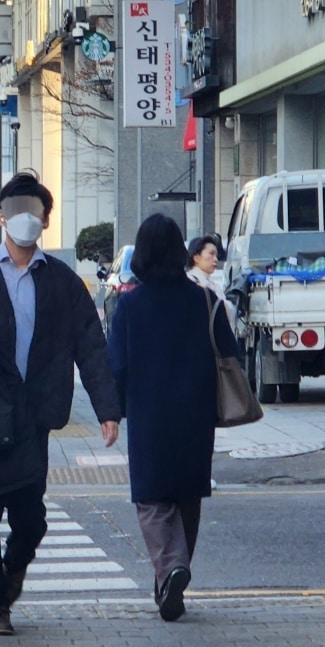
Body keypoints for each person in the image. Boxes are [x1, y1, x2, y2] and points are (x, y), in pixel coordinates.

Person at [0, 173, 121, 636]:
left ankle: (12, 569)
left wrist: (107, 408)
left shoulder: (63, 282)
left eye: (35, 212)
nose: (26, 220)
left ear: (46, 220)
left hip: (34, 414)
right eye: (17, 211)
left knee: (30, 517)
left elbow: (91, 346)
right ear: (0, 218)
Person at [108, 214, 240, 623]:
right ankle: (171, 577)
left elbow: (117, 365)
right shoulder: (203, 299)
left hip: (149, 410)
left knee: (152, 497)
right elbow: (229, 350)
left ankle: (170, 569)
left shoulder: (130, 304)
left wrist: (113, 411)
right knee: (187, 494)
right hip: (196, 410)